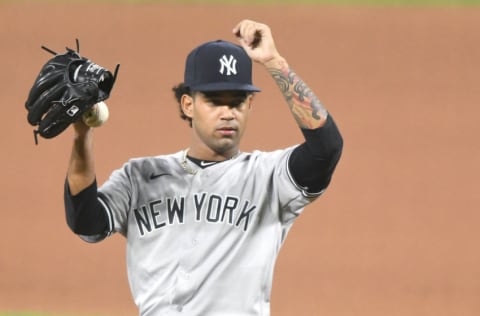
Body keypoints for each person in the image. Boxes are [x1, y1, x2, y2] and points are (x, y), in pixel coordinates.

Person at [64, 19, 343, 316]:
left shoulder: (269, 178)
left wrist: (274, 62)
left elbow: (325, 149)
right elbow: (86, 221)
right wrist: (82, 136)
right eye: (214, 101)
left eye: (237, 102)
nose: (227, 113)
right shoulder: (139, 177)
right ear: (188, 104)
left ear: (250, 105)